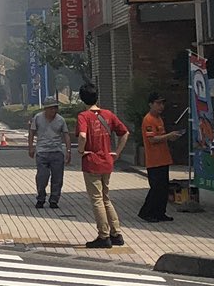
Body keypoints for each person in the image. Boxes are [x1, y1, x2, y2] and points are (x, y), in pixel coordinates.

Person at [76, 82, 129, 248]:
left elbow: (83, 135)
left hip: (92, 162)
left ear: (82, 98)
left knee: (97, 199)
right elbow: (125, 132)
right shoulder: (108, 114)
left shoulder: (83, 116)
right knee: (106, 198)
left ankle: (103, 235)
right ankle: (116, 233)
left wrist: (80, 150)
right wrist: (117, 152)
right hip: (107, 161)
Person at [138, 93, 183, 223]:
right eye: (158, 103)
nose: (161, 106)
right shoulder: (148, 119)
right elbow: (152, 139)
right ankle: (146, 212)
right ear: (151, 104)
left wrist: (171, 137)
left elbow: (162, 137)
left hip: (163, 158)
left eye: (162, 103)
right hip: (154, 160)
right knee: (156, 188)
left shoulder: (159, 119)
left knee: (163, 188)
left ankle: (160, 212)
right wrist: (168, 136)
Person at [28, 97, 70, 210]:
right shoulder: (38, 118)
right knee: (42, 176)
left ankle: (54, 200)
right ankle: (41, 198)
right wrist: (31, 147)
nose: (53, 111)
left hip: (57, 152)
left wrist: (68, 151)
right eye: (51, 108)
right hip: (42, 152)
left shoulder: (60, 120)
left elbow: (66, 135)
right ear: (45, 109)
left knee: (57, 178)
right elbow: (31, 132)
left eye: (55, 108)